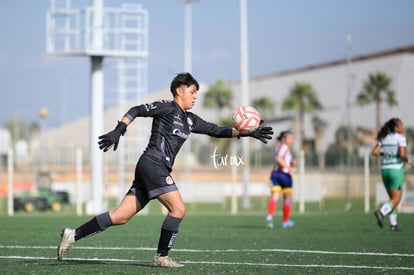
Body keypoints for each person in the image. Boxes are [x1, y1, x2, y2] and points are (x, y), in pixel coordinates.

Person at [57, 72, 273, 267]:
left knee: (120, 217)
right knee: (178, 209)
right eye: (192, 92)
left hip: (152, 168)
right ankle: (161, 257)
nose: (195, 96)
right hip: (153, 164)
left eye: (196, 93)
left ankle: (73, 235)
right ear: (179, 91)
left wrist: (248, 133)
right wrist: (119, 129)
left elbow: (216, 130)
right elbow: (137, 110)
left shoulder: (190, 120)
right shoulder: (167, 108)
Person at [372, 118, 411, 232]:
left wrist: (386, 152)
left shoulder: (384, 137)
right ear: (396, 128)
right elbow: (402, 154)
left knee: (392, 198)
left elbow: (375, 152)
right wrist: (408, 160)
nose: (402, 127)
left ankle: (393, 225)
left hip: (385, 170)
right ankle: (382, 212)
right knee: (396, 199)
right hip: (396, 170)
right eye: (401, 125)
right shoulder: (400, 138)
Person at [266, 130, 296, 229]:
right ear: (283, 139)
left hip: (274, 174)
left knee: (275, 196)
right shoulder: (284, 147)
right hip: (284, 175)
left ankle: (270, 217)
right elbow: (279, 159)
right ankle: (285, 221)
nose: (292, 140)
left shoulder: (278, 147)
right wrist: (289, 167)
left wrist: (290, 162)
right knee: (287, 198)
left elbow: (281, 159)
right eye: (290, 138)